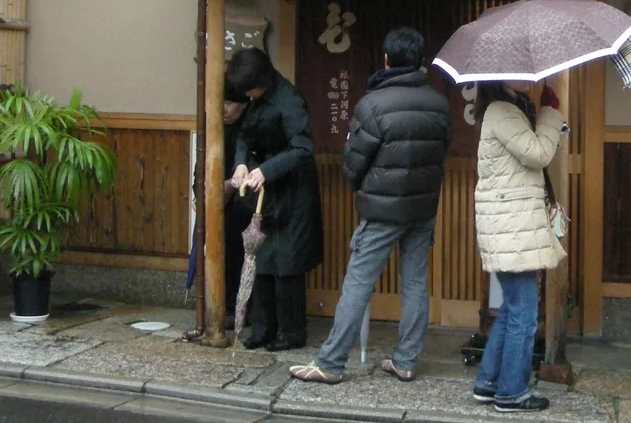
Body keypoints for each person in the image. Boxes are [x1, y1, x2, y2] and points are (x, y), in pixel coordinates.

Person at [290, 28, 453, 385]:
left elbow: (354, 162)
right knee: (415, 283)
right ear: (421, 61)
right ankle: (406, 360)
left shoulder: (373, 104)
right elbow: (440, 154)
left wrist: (362, 188)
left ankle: (331, 364)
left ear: (386, 60)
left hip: (381, 211)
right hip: (422, 208)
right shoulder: (440, 103)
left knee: (359, 283)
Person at [470, 81, 568, 413]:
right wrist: (550, 114)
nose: (528, 81)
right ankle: (511, 392)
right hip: (513, 227)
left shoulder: (509, 109)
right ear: (500, 79)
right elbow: (538, 153)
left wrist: (543, 113)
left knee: (513, 309)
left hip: (511, 225)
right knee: (524, 315)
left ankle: (489, 381)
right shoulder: (503, 111)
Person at [227, 47, 323, 352]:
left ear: (262, 81)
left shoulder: (289, 100)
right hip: (264, 193)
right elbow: (244, 137)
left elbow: (303, 149)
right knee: (261, 260)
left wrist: (267, 170)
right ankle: (263, 329)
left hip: (292, 191)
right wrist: (241, 163)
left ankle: (291, 333)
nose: (248, 95)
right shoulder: (256, 100)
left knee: (287, 265)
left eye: (249, 89)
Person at [184, 82, 254, 338]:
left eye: (230, 103)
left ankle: (238, 309)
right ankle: (214, 307)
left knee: (237, 253)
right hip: (214, 201)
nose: (224, 109)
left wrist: (231, 187)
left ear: (244, 105)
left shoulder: (249, 128)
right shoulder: (211, 126)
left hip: (242, 204)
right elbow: (199, 169)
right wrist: (201, 195)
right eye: (221, 103)